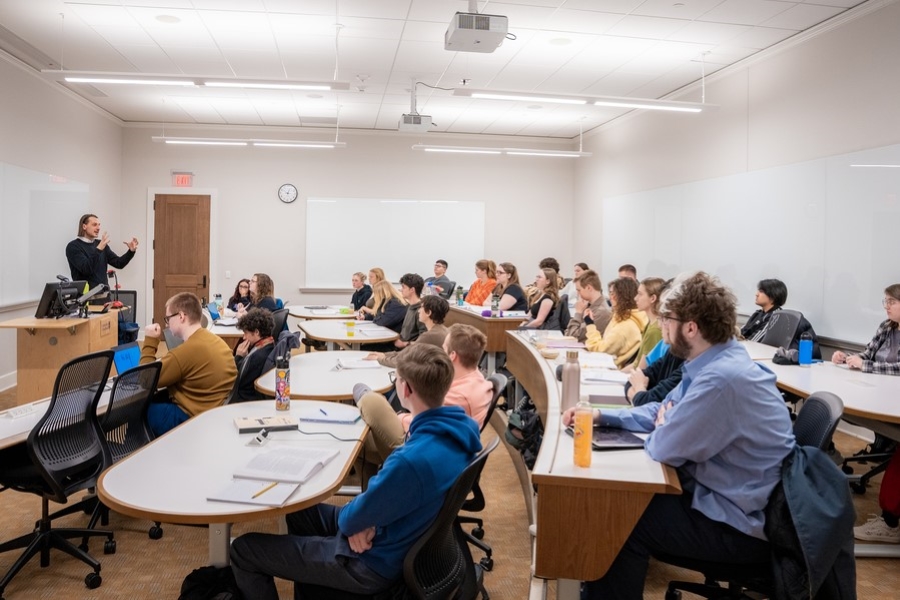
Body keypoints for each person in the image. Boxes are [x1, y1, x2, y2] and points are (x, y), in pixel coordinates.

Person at [563, 271, 795, 599]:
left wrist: (665, 423)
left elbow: (665, 447)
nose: (663, 327)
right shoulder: (711, 362)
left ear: (690, 327)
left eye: (668, 320)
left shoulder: (721, 379)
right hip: (725, 496)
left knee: (616, 521)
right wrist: (603, 416)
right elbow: (660, 411)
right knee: (616, 505)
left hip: (740, 523)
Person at [230, 344, 482, 598]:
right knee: (298, 509)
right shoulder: (460, 431)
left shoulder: (411, 461)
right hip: (398, 536)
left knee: (244, 550)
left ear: (405, 388)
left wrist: (361, 522)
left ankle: (328, 565)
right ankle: (316, 579)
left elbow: (350, 519)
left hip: (373, 564)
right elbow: (383, 503)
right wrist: (367, 519)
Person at [356, 323, 493, 463]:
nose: (441, 350)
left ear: (452, 355)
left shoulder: (459, 397)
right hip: (435, 444)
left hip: (417, 447)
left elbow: (422, 422)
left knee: (370, 407)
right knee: (364, 433)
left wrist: (399, 417)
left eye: (443, 348)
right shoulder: (475, 377)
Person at [834, 284, 900, 543]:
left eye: (891, 302)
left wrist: (867, 365)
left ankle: (890, 522)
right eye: (885, 302)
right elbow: (868, 354)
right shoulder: (887, 327)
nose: (886, 307)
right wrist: (848, 358)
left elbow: (897, 368)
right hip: (880, 393)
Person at [139, 292, 237, 436]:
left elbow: (145, 378)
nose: (167, 324)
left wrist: (149, 340)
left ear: (181, 316)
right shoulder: (216, 341)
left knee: (138, 410)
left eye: (168, 318)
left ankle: (131, 455)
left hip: (193, 420)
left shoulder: (185, 352)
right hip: (213, 415)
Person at [365, 295, 451, 369]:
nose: (418, 311)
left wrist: (379, 359)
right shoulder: (440, 330)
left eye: (421, 307)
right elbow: (406, 353)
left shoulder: (430, 336)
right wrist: (384, 355)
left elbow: (405, 360)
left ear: (428, 312)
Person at [624, 311, 685, 407]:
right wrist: (639, 394)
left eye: (665, 319)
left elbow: (645, 402)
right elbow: (634, 379)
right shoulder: (673, 352)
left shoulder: (689, 365)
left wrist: (639, 387)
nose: (660, 325)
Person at [585, 277, 648, 368]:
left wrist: (590, 324)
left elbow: (598, 350)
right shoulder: (622, 317)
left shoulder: (624, 326)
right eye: (610, 293)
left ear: (622, 296)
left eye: (613, 293)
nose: (610, 297)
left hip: (611, 371)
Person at [65, 213, 139, 289]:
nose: (98, 228)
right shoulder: (73, 246)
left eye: (99, 225)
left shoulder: (101, 244)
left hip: (105, 295)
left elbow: (119, 263)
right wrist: (98, 250)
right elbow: (86, 269)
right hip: (86, 297)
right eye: (94, 225)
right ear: (84, 226)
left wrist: (131, 251)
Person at [233, 308, 276, 402]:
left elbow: (237, 380)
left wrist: (238, 357)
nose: (244, 337)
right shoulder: (269, 346)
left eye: (246, 333)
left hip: (242, 401)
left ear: (256, 332)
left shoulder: (257, 357)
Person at [625, 277, 666, 371]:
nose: (635, 298)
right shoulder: (650, 324)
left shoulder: (655, 330)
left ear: (652, 298)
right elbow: (636, 364)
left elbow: (641, 369)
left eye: (640, 294)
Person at [565, 270, 612, 342]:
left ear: (589, 288)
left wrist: (578, 313)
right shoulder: (589, 306)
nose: (577, 294)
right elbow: (568, 333)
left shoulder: (601, 312)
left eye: (579, 290)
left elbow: (572, 337)